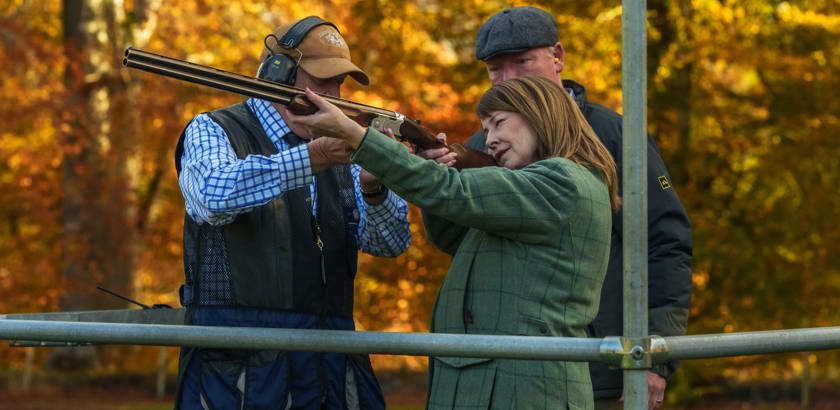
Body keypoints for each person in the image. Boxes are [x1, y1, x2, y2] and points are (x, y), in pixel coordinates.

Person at [287, 75, 621, 409]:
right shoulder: (533, 187)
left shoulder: (561, 180)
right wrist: (431, 166)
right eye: (486, 129)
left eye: (499, 123)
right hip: (500, 382)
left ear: (540, 114)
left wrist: (355, 135)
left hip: (520, 386)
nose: (490, 140)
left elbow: (452, 193)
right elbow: (449, 234)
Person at [422, 6, 693, 409]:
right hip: (499, 372)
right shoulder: (483, 145)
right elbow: (456, 241)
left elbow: (664, 244)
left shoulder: (615, 135)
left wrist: (655, 356)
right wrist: (434, 178)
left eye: (522, 61)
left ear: (558, 57)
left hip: (603, 365)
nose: (510, 77)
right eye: (496, 69)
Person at [172, 16, 411, 410]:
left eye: (340, 83)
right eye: (321, 82)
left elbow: (391, 243)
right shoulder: (214, 128)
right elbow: (212, 196)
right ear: (278, 76)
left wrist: (373, 185)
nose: (335, 95)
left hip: (330, 366)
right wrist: (313, 158)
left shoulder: (341, 144)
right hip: (239, 372)